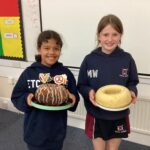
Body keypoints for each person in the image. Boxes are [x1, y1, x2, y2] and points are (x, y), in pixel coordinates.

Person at [77, 14, 139, 150]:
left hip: (119, 115)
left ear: (120, 35)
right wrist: (89, 91)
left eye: (115, 34)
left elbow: (132, 82)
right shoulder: (89, 59)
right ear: (99, 36)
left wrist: (132, 91)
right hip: (96, 114)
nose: (110, 39)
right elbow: (81, 84)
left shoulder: (127, 59)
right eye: (105, 34)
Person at [11, 30, 80, 150]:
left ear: (60, 50)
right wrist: (26, 99)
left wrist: (72, 98)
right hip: (34, 131)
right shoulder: (29, 73)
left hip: (56, 131)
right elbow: (16, 97)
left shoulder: (66, 73)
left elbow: (74, 98)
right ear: (39, 49)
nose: (51, 52)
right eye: (46, 48)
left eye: (56, 48)